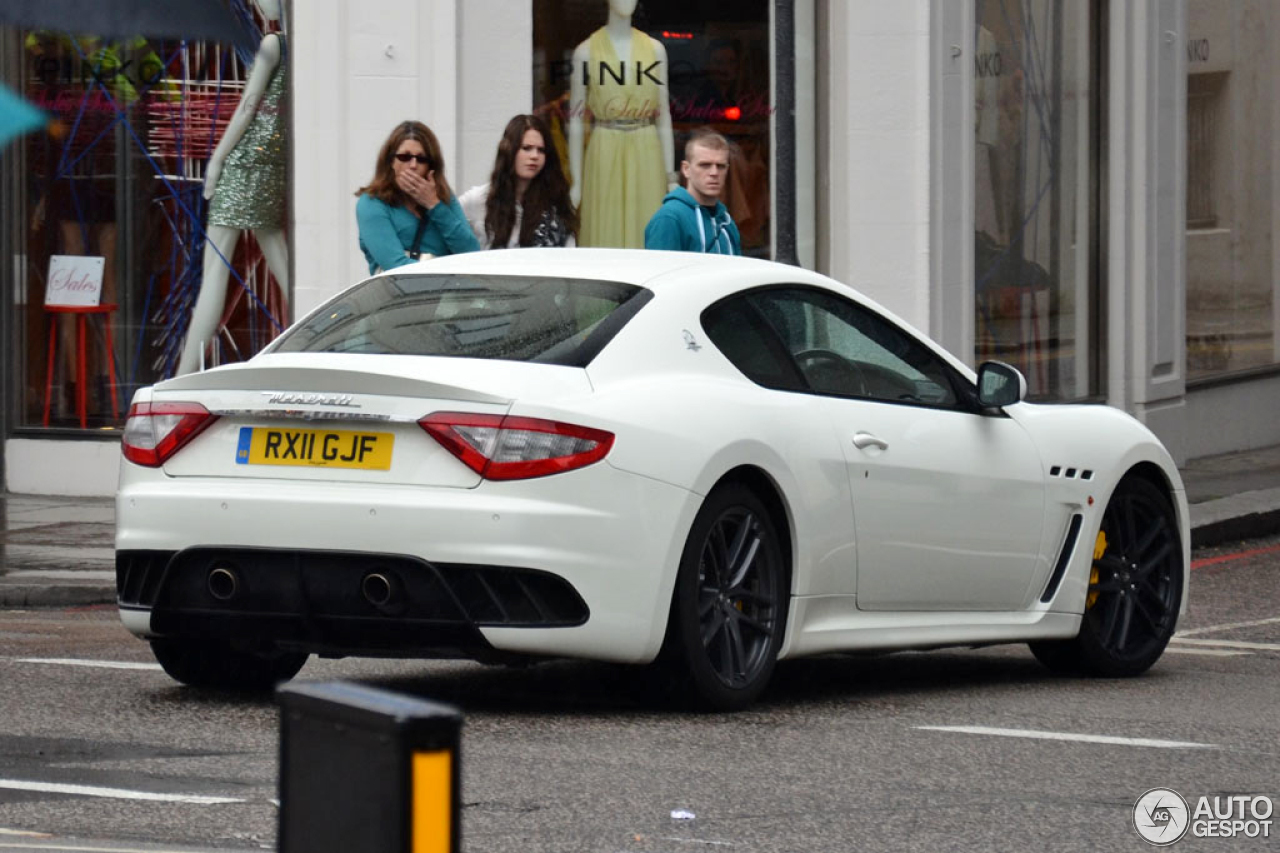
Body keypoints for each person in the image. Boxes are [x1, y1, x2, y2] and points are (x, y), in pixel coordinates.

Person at [178, 0, 288, 375]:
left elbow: (248, 106)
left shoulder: (272, 45)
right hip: (271, 167)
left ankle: (183, 375)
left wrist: (218, 159)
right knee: (287, 269)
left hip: (244, 166)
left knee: (215, 273)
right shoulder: (296, 49)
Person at [567, 0, 675, 248]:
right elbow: (575, 119)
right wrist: (577, 182)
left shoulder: (655, 50)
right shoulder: (586, 52)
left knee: (648, 229)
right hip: (605, 146)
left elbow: (664, 114)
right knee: (605, 232)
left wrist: (671, 176)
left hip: (646, 147)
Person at [354, 120, 478, 274]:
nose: (413, 165)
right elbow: (395, 266)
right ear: (391, 161)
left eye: (421, 159)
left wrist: (434, 205)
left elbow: (472, 254)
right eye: (404, 157)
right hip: (400, 294)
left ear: (431, 166)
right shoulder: (372, 203)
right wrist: (446, 275)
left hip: (445, 294)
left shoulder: (444, 199)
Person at [459, 114, 578, 249]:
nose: (534, 156)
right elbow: (450, 230)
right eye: (526, 148)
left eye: (541, 150)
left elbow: (568, 256)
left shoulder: (555, 206)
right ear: (509, 150)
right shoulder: (478, 199)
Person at [644, 129, 742, 255]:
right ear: (686, 169)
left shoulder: (726, 220)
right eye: (705, 165)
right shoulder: (669, 218)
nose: (714, 173)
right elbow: (662, 272)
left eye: (721, 166)